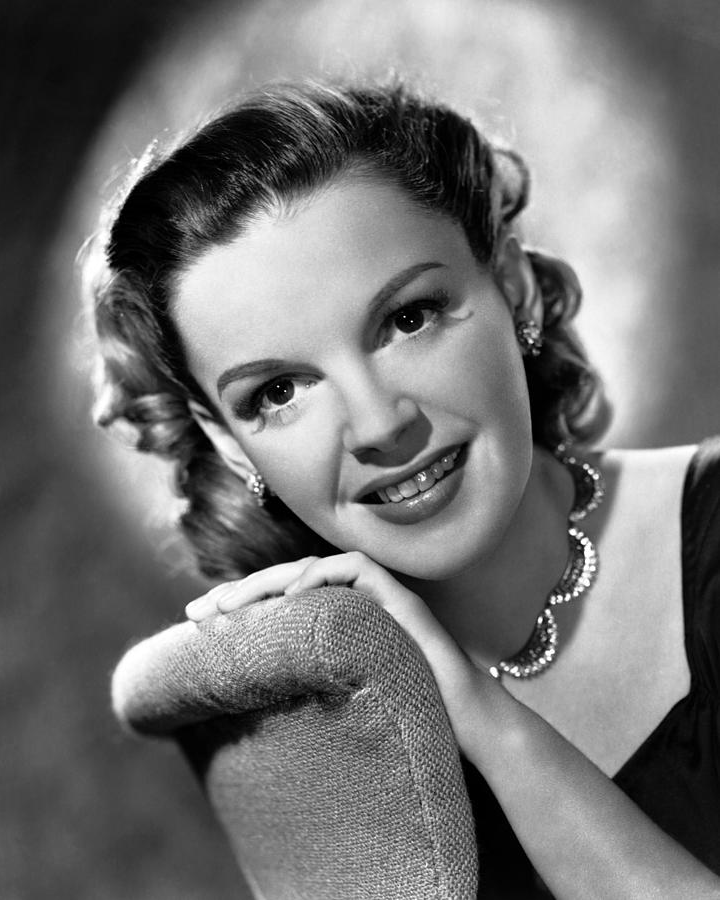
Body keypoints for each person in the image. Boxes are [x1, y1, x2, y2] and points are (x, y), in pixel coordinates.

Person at [87, 81, 720, 898]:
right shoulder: (309, 739)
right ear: (227, 442)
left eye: (409, 318)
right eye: (277, 392)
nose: (379, 424)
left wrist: (487, 724)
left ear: (512, 285)